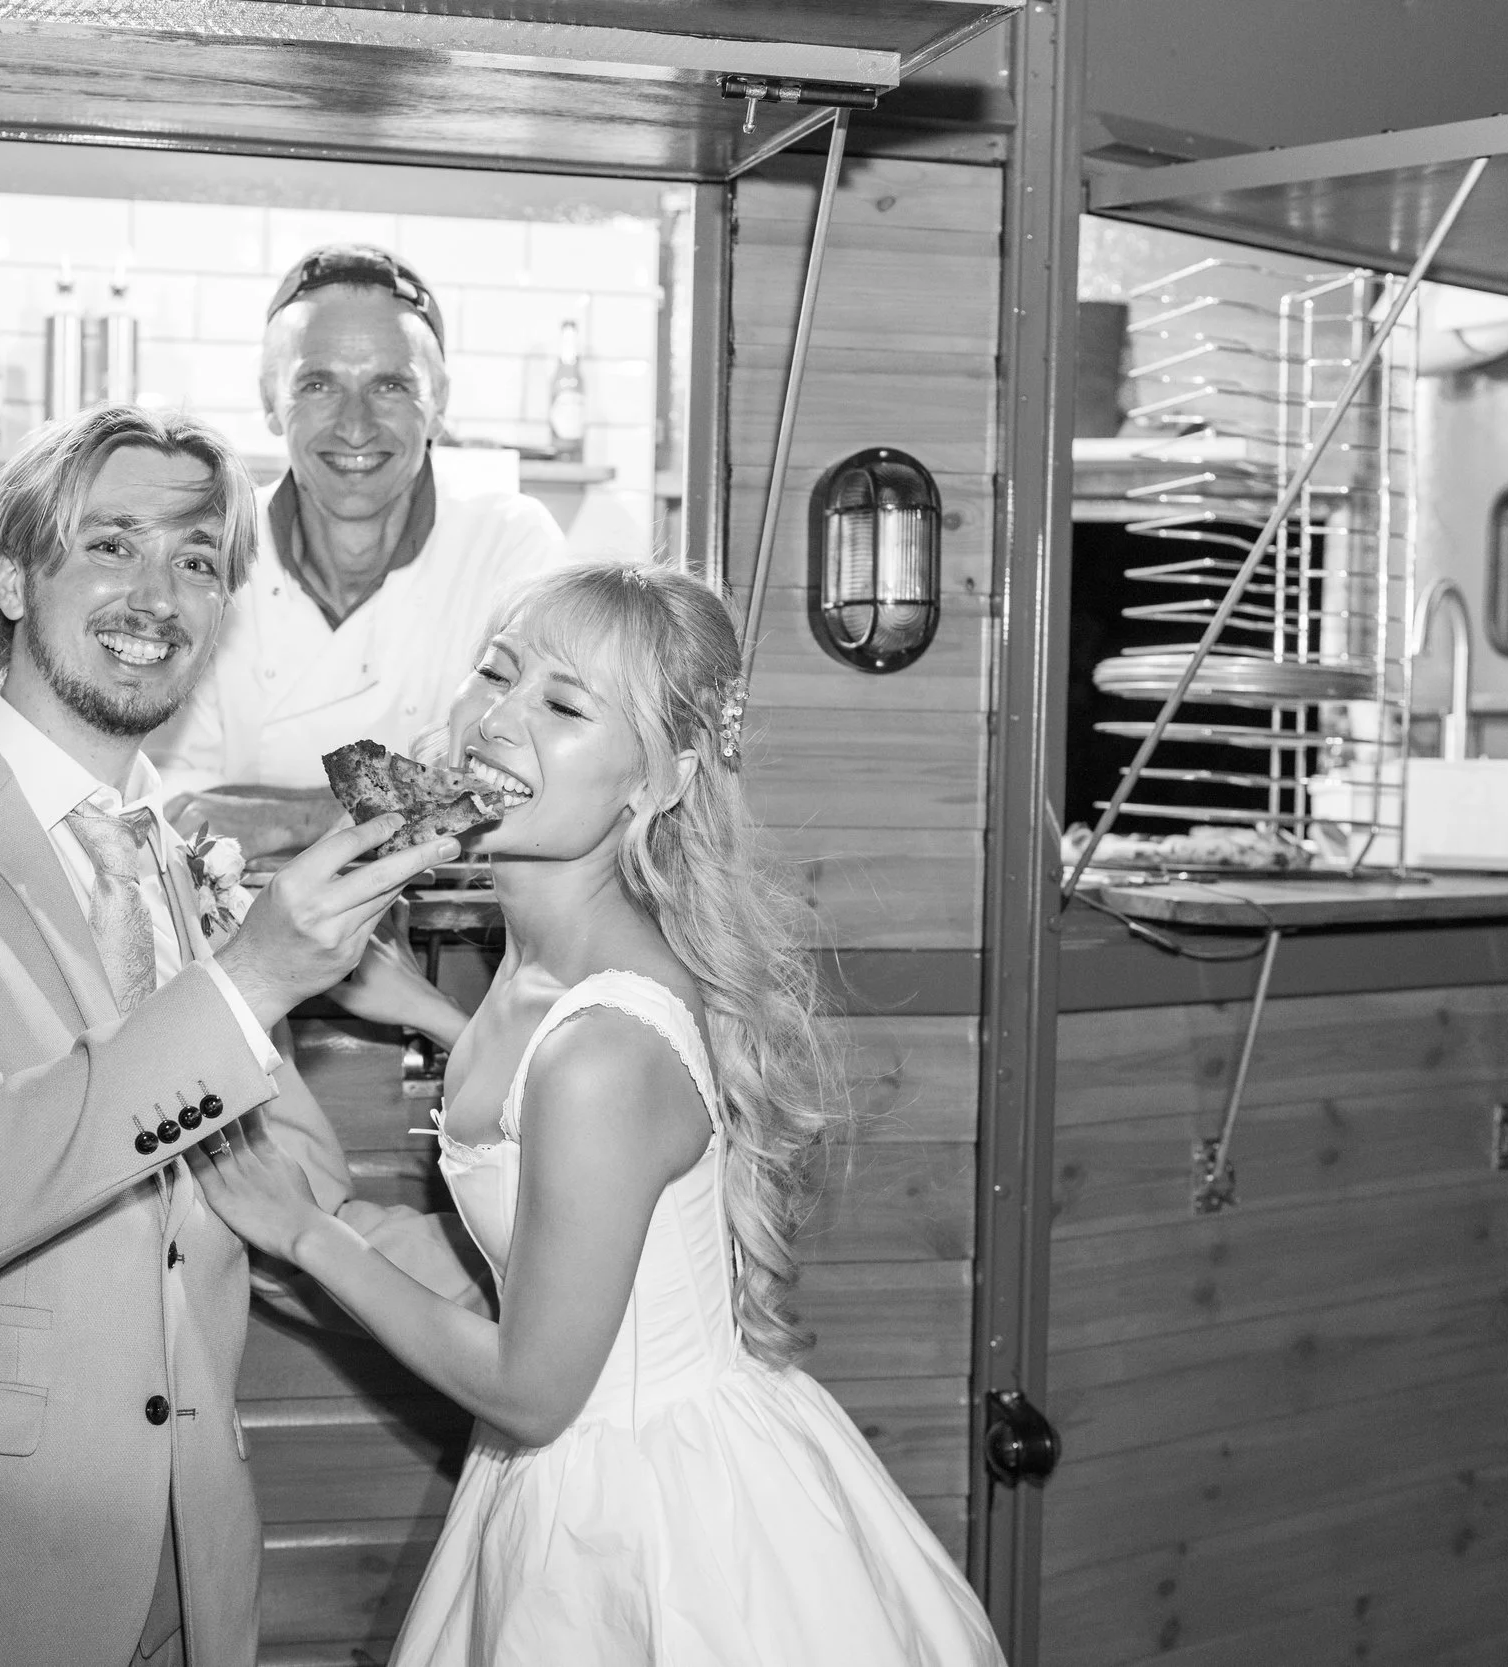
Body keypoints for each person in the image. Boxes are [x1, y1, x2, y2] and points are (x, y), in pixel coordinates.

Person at [0, 406, 473, 1667]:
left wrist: (563, 1304)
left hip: (179, 1572)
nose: (157, 592)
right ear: (11, 575)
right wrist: (256, 974)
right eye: (109, 544)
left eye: (197, 559)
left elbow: (283, 1208)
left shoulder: (180, 858)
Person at [189, 563, 1006, 1666]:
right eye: (498, 672)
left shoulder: (600, 1051)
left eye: (564, 706)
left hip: (644, 1520)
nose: (494, 720)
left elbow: (530, 1391)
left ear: (656, 782)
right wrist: (420, 1008)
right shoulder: (543, 981)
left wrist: (301, 1229)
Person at [147, 243, 568, 855]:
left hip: (455, 934)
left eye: (390, 385)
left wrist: (276, 820)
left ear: (440, 402)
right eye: (317, 384)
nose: (354, 426)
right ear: (269, 398)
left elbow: (522, 789)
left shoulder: (508, 544)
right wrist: (411, 803)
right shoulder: (209, 551)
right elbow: (163, 802)